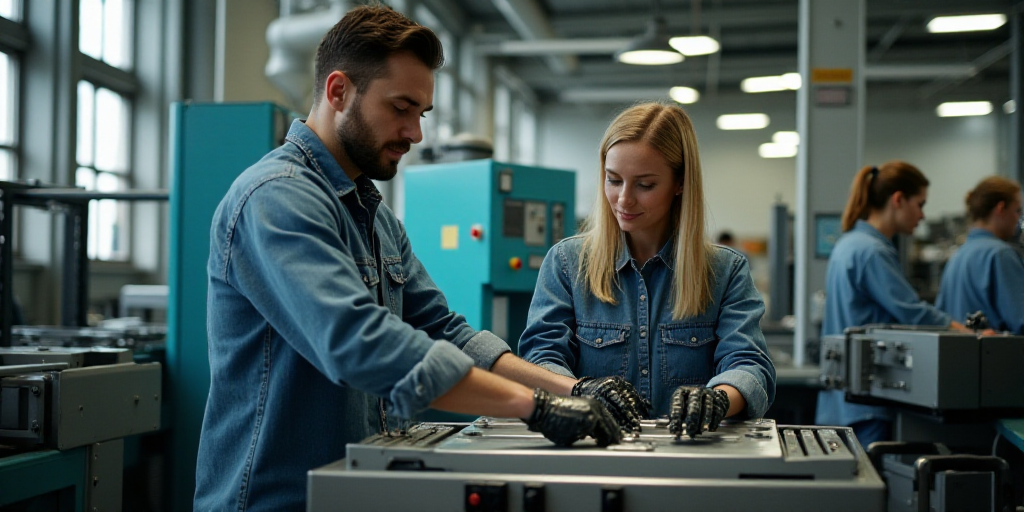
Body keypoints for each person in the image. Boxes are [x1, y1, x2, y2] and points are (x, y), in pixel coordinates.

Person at [194, 6, 644, 511]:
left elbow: (445, 330)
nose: (416, 133)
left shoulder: (375, 215)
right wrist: (533, 407)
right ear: (339, 91)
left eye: (422, 114)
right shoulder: (276, 199)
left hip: (358, 488)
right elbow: (357, 343)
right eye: (401, 108)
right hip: (279, 500)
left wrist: (575, 388)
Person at [519, 102, 776, 438]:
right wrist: (581, 389)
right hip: (593, 452)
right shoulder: (567, 264)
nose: (624, 200)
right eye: (613, 180)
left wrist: (719, 398)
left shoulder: (725, 271)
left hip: (691, 459)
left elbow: (749, 365)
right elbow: (540, 357)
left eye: (645, 185)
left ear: (680, 183)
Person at [815, 160, 967, 448]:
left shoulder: (849, 243)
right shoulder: (872, 251)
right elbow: (912, 311)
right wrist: (964, 332)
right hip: (866, 403)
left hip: (840, 400)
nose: (922, 215)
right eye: (920, 204)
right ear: (898, 200)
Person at [937, 176, 1024, 334]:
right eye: (1017, 211)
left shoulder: (957, 256)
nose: (1018, 218)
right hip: (995, 357)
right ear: (1000, 208)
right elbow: (1020, 322)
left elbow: (941, 319)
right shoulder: (1001, 255)